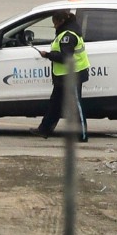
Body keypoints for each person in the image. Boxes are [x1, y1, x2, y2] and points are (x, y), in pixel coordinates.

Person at [34, 9, 89, 140]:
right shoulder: (65, 32)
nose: (54, 26)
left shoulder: (67, 36)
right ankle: (44, 130)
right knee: (55, 104)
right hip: (62, 76)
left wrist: (47, 55)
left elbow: (65, 57)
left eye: (55, 23)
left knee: (76, 105)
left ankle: (82, 135)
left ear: (62, 21)